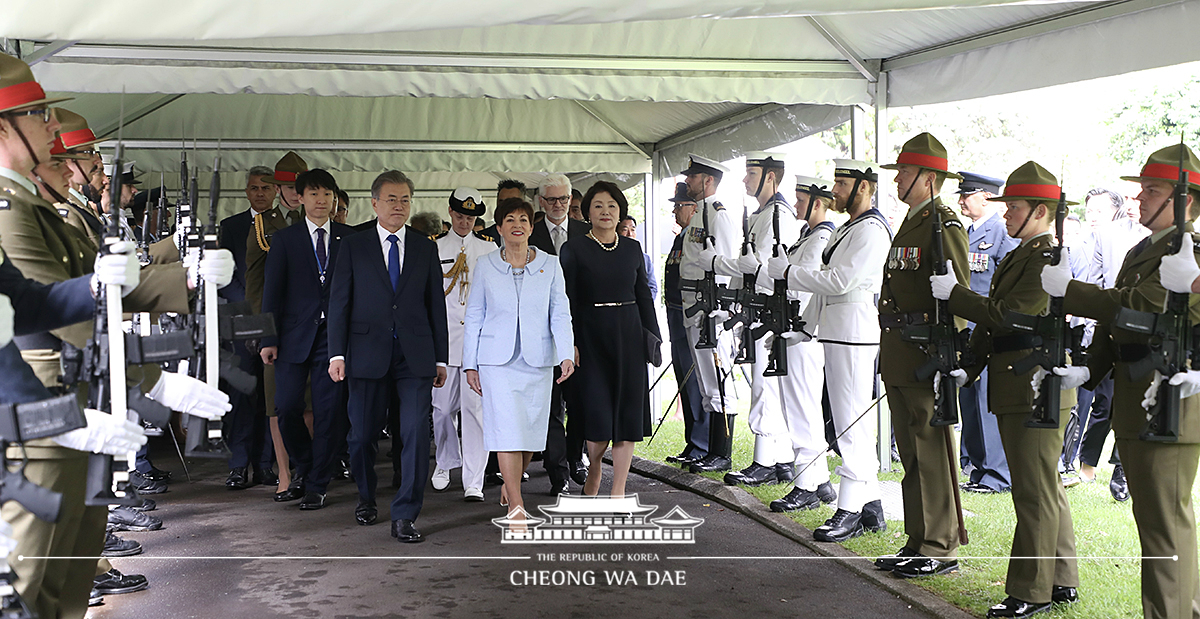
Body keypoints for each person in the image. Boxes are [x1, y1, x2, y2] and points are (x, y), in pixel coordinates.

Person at [1048, 143, 1200, 619]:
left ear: (1185, 201)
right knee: (1154, 522)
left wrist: (1071, 291)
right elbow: (1122, 322)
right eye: (1140, 190)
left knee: (1164, 526)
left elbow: (1135, 308)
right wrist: (1092, 368)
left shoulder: (1185, 250)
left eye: (1152, 191)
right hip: (1140, 399)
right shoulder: (1145, 247)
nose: (1139, 200)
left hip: (1167, 402)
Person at [934, 162, 1080, 617]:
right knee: (1044, 485)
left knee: (1033, 491)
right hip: (1019, 381)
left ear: (1041, 211)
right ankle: (1061, 579)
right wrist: (969, 368)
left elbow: (1010, 316)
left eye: (1014, 207)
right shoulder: (1022, 253)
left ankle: (1030, 590)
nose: (1006, 215)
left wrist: (956, 295)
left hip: (1034, 385)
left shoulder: (1046, 257)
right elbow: (993, 324)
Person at [767, 162, 890, 542]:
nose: (835, 189)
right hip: (837, 330)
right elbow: (827, 289)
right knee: (847, 420)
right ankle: (870, 506)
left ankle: (850, 509)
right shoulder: (853, 228)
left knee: (850, 423)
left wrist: (789, 273)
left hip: (854, 331)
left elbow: (840, 281)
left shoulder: (871, 229)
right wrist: (805, 327)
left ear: (865, 188)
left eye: (842, 183)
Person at [327, 170, 448, 542]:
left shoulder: (425, 247)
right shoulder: (353, 245)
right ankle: (366, 496)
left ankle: (405, 514)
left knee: (413, 434)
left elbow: (434, 307)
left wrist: (441, 358)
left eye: (405, 200)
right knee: (362, 437)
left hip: (414, 356)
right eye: (391, 199)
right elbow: (339, 303)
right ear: (375, 203)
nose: (399, 206)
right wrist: (336, 353)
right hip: (365, 353)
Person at [874, 133, 970, 579]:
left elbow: (957, 296)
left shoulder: (943, 224)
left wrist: (949, 357)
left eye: (906, 173)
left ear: (929, 178)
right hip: (901, 350)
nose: (899, 180)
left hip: (925, 352)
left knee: (930, 451)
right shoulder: (912, 220)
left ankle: (939, 544)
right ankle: (918, 537)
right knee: (910, 450)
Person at [463, 197, 574, 516]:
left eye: (523, 219)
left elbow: (560, 313)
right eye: (509, 219)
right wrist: (470, 364)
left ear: (531, 226)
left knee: (530, 435)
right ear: (499, 228)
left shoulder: (550, 264)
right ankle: (516, 503)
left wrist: (565, 353)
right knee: (505, 430)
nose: (517, 225)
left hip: (538, 360)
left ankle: (509, 485)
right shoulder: (485, 265)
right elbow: (474, 315)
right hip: (496, 361)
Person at [697, 152, 800, 484]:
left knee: (765, 387)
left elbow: (765, 270)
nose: (745, 180)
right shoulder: (763, 214)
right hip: (756, 308)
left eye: (751, 174)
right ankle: (781, 459)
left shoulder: (777, 216)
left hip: (769, 310)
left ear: (771, 177)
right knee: (764, 386)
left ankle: (766, 462)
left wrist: (718, 265)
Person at [560, 182, 660, 497]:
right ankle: (594, 467)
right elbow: (566, 300)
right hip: (589, 337)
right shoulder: (574, 248)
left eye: (612, 206)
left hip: (628, 336)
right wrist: (570, 341)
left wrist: (653, 336)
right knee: (598, 414)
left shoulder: (632, 249)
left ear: (620, 212)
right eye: (599, 206)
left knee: (628, 415)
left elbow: (644, 296)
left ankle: (618, 490)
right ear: (588, 212)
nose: (606, 212)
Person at [261, 169, 352, 510]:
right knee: (286, 407)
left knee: (330, 413)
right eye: (313, 194)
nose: (321, 201)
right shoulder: (285, 240)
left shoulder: (349, 237)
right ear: (300, 198)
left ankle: (316, 483)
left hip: (336, 339)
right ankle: (306, 465)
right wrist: (268, 338)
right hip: (293, 336)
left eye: (327, 194)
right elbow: (272, 292)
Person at [766, 174, 838, 513]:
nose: (795, 204)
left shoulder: (822, 236)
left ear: (818, 202)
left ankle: (806, 485)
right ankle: (819, 480)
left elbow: (801, 286)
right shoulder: (807, 236)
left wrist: (782, 271)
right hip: (794, 329)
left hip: (804, 331)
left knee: (802, 410)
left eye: (800, 199)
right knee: (798, 407)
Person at [1074, 187, 1146, 501]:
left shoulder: (1168, 239)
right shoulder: (1108, 234)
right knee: (1103, 404)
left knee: (1132, 405)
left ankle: (1121, 469)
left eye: (1140, 197)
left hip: (1144, 341)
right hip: (1109, 333)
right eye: (1129, 198)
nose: (1134, 204)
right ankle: (1088, 461)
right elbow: (1095, 284)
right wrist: (1092, 330)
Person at [247, 151, 307, 500]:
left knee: (310, 403)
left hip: (310, 326)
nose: (295, 194)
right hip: (279, 327)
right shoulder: (264, 226)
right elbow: (255, 283)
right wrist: (263, 328)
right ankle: (284, 473)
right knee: (277, 404)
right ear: (278, 189)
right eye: (287, 187)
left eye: (300, 187)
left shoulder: (315, 219)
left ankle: (305, 469)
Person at [431, 187, 497, 501]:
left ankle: (474, 479)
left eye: (470, 217)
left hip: (478, 345)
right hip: (445, 342)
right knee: (442, 410)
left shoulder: (488, 249)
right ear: (450, 213)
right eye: (459, 216)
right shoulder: (434, 247)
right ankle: (445, 461)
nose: (464, 222)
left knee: (475, 413)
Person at [955, 171, 1017, 494]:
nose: (961, 200)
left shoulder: (1002, 235)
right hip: (968, 331)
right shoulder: (968, 232)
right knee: (969, 402)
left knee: (985, 404)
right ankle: (979, 467)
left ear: (987, 197)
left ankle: (998, 473)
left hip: (988, 329)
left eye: (967, 194)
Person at [527, 173, 590, 492]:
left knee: (578, 403)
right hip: (541, 335)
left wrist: (577, 339)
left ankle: (576, 457)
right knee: (550, 407)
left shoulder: (587, 232)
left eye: (563, 199)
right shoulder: (529, 233)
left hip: (581, 334)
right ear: (540, 201)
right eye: (550, 199)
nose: (557, 205)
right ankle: (558, 471)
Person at [679, 154, 739, 474]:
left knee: (719, 381)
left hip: (711, 312)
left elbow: (726, 264)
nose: (687, 182)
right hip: (694, 309)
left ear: (708, 181)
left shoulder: (718, 215)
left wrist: (718, 309)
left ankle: (721, 452)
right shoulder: (699, 215)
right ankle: (708, 450)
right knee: (706, 384)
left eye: (693, 177)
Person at [222, 165, 278, 490]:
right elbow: (224, 275)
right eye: (255, 188)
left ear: (276, 192)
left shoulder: (285, 227)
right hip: (242, 321)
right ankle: (238, 465)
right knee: (242, 394)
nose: (260, 193)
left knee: (270, 398)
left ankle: (265, 465)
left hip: (273, 322)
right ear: (247, 191)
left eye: (266, 188)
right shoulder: (230, 227)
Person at [661, 183, 709, 466]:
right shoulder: (681, 238)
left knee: (695, 380)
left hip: (690, 315)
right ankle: (692, 441)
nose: (675, 210)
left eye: (680, 205)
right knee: (683, 379)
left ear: (693, 208)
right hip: (675, 314)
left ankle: (701, 445)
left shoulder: (697, 237)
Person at [617, 215, 658, 299]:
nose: (630, 234)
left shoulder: (645, 258)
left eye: (633, 229)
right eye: (625, 230)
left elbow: (652, 286)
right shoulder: (612, 256)